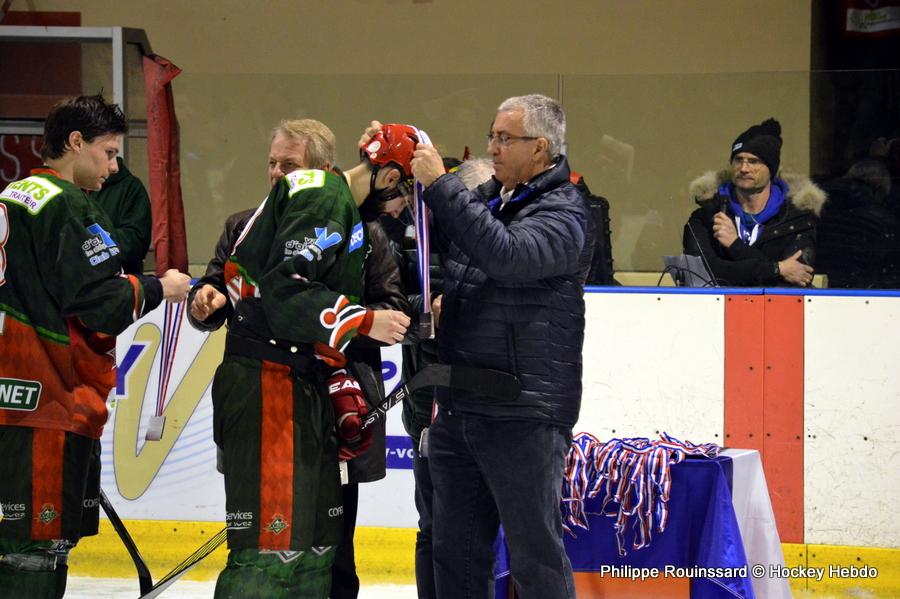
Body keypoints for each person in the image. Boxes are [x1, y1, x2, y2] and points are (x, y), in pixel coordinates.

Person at [187, 118, 410, 599]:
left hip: (336, 402)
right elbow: (218, 288)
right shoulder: (244, 224)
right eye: (271, 163)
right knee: (270, 544)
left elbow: (389, 307)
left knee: (330, 549)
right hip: (267, 397)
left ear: (321, 170)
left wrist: (360, 321)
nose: (275, 173)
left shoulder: (365, 233)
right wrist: (207, 300)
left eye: (288, 164)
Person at [385, 94, 591, 599]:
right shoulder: (492, 200)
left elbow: (505, 256)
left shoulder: (564, 211)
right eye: (492, 135)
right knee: (454, 558)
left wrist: (441, 183)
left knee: (534, 559)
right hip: (460, 407)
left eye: (505, 138)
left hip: (523, 413)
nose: (492, 147)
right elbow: (445, 259)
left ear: (540, 148)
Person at [0, 94, 190, 599]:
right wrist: (159, 288)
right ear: (75, 142)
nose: (113, 166)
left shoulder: (14, 193)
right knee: (35, 551)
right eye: (107, 152)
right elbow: (99, 302)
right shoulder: (66, 202)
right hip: (49, 402)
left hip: (11, 398)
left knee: (14, 542)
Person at [683, 118, 827, 287]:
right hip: (717, 311)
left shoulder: (798, 220)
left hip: (775, 311)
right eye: (738, 159)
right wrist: (777, 269)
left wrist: (735, 245)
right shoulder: (706, 216)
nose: (744, 168)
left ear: (771, 170)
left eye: (754, 161)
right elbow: (701, 275)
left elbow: (797, 280)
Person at [91, 156, 152, 274]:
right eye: (108, 152)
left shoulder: (130, 187)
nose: (114, 167)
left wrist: (86, 238)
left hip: (120, 281)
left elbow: (136, 244)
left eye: (113, 153)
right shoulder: (67, 190)